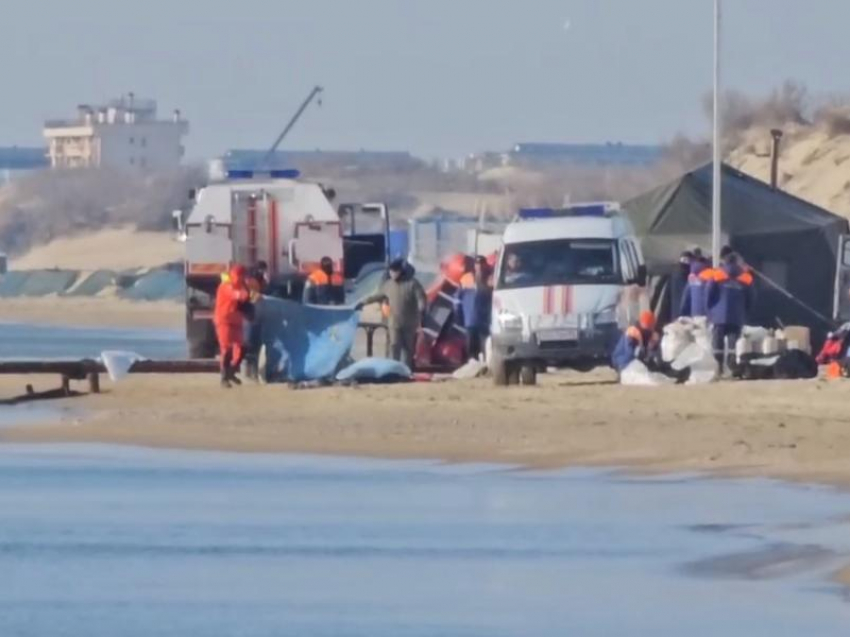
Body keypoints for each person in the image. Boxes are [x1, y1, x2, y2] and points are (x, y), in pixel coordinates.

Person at [356, 258, 427, 370]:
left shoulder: (412, 283)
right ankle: (394, 370)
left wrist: (422, 308)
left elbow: (421, 298)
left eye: (395, 271)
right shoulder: (388, 285)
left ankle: (407, 371)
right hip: (393, 322)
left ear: (401, 271)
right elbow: (377, 296)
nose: (392, 273)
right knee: (394, 346)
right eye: (390, 271)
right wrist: (363, 303)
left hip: (409, 323)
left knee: (408, 349)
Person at [706, 252, 754, 373]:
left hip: (718, 316)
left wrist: (710, 310)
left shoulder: (717, 275)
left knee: (717, 344)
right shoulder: (746, 277)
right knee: (734, 345)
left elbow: (708, 294)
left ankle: (718, 368)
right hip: (736, 316)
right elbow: (751, 298)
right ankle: (733, 369)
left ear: (725, 262)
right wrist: (745, 311)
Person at [214, 264, 250, 388]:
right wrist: (246, 293)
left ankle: (231, 372)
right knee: (227, 349)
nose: (244, 278)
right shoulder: (226, 286)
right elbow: (238, 295)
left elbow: (244, 298)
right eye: (242, 276)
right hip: (224, 320)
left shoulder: (240, 286)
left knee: (242, 348)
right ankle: (224, 378)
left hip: (236, 321)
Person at [455, 256, 493, 361]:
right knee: (471, 346)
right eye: (477, 264)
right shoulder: (466, 278)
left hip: (485, 320)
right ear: (474, 266)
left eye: (481, 264)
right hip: (470, 319)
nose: (479, 266)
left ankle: (486, 365)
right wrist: (458, 314)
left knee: (485, 345)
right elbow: (457, 298)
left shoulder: (491, 279)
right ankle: (472, 364)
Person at [243, 261, 270, 381]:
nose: (263, 272)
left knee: (256, 343)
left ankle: (253, 370)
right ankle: (250, 369)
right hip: (250, 315)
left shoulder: (260, 281)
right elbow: (249, 296)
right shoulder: (249, 281)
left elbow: (264, 292)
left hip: (257, 315)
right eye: (262, 270)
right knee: (250, 342)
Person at [679, 252, 712, 318]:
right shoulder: (710, 276)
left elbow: (686, 298)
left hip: (695, 314)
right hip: (709, 315)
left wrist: (682, 313)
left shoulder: (692, 278)